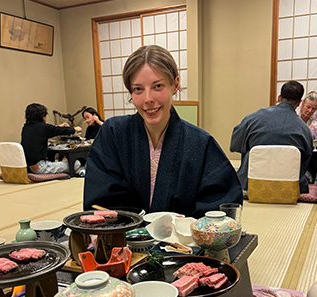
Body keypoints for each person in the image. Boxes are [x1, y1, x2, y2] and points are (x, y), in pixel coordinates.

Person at [84, 45, 243, 217]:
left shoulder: (200, 144)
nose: (148, 99)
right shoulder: (114, 133)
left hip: (183, 243)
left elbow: (222, 207)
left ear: (175, 85)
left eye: (157, 86)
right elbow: (101, 201)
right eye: (138, 89)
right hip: (124, 240)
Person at [230, 80, 313, 193]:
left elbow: (235, 145)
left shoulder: (252, 119)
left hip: (250, 187)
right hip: (289, 191)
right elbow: (305, 162)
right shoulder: (304, 130)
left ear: (279, 97)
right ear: (299, 103)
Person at [21, 103, 84, 175]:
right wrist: (75, 129)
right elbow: (57, 130)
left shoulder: (26, 127)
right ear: (42, 116)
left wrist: (60, 126)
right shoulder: (43, 127)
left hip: (29, 167)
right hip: (41, 168)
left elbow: (51, 129)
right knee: (76, 164)